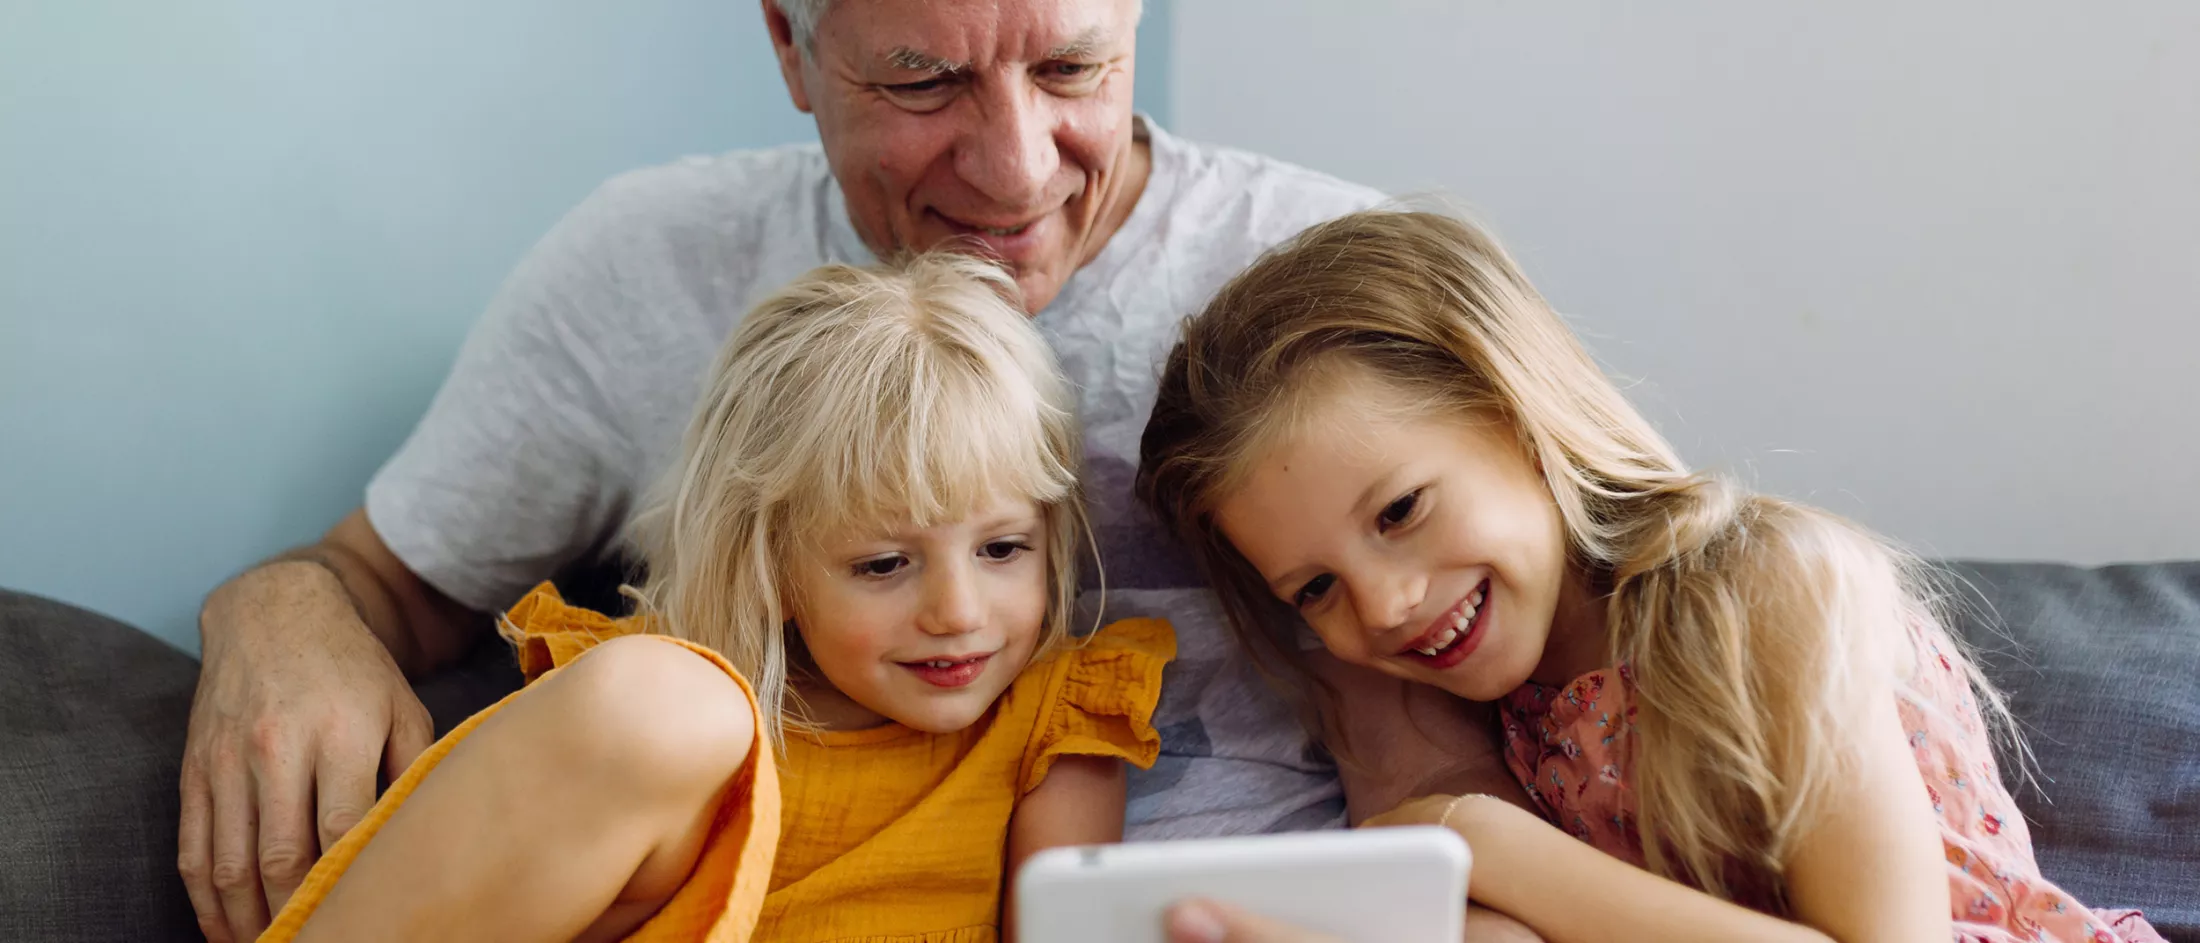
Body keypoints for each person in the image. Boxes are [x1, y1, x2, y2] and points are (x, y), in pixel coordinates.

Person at [1135, 209, 2169, 942]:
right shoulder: (1478, 699)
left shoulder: (1769, 589)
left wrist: (1482, 837)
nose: (1386, 603)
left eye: (1401, 511)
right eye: (1313, 588)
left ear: (1517, 412)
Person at [260, 254, 1174, 940]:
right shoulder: (659, 712)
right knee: (670, 701)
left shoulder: (1051, 720)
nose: (959, 612)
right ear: (772, 567)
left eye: (1003, 548)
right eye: (884, 564)